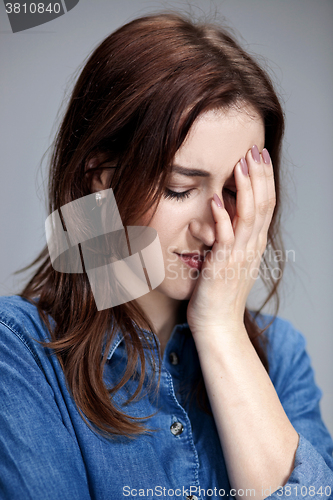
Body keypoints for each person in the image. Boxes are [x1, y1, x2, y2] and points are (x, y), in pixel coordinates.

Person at [0, 12, 332, 500]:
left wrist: (220, 327)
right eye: (180, 189)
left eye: (237, 191)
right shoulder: (21, 351)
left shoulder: (280, 358)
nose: (212, 226)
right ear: (101, 178)